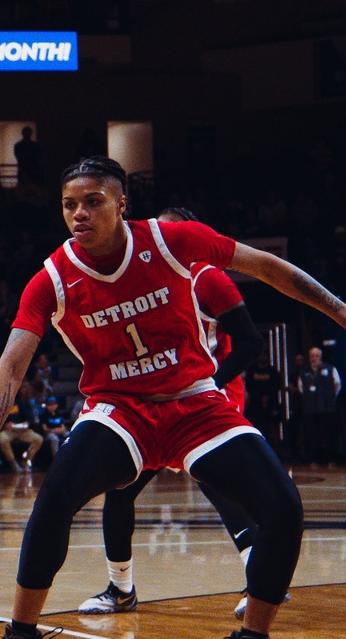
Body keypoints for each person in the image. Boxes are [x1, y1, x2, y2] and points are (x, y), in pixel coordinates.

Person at [0, 156, 346, 639]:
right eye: (69, 205)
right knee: (56, 495)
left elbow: (267, 267)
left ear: (121, 203)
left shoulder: (171, 240)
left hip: (194, 401)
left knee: (283, 506)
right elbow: (11, 366)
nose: (79, 214)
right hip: (119, 410)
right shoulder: (52, 280)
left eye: (92, 202)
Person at [79, 206, 269, 615]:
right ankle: (121, 589)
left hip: (206, 396)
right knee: (120, 489)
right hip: (155, 402)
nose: (157, 241)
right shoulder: (143, 281)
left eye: (167, 233)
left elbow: (251, 342)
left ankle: (259, 581)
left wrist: (211, 383)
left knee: (219, 485)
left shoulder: (207, 277)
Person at [296, 346, 341, 464]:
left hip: (327, 408)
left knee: (327, 434)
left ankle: (329, 459)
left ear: (320, 357)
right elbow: (301, 388)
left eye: (316, 356)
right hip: (310, 409)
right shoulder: (304, 371)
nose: (314, 358)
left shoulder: (330, 368)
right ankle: (313, 459)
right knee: (312, 434)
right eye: (312, 356)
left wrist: (329, 397)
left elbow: (337, 385)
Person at [0, 384, 44, 472]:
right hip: (9, 431)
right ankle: (13, 463)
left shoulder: (25, 402)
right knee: (2, 438)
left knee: (38, 439)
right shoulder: (3, 402)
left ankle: (26, 461)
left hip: (23, 430)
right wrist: (4, 424)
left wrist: (27, 423)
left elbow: (31, 419)